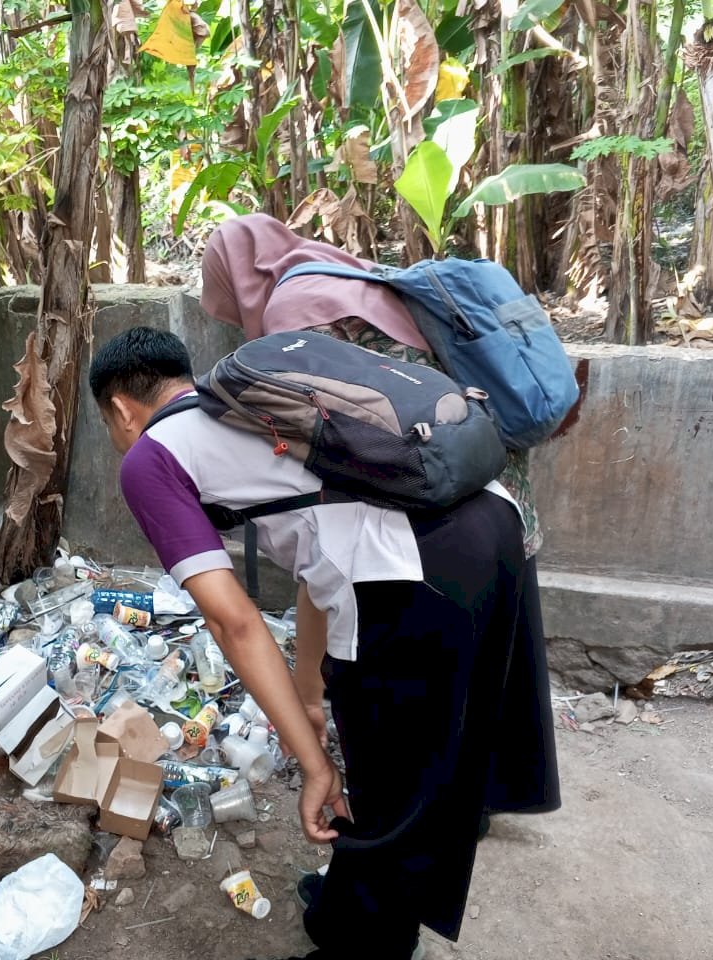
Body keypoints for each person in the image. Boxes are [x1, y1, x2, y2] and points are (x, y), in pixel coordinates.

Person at [89, 326, 536, 960]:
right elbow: (313, 554)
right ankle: (345, 906)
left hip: (413, 568)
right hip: (490, 520)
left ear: (120, 409)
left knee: (389, 776)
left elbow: (232, 621)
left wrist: (314, 766)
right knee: (418, 745)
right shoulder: (251, 408)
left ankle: (367, 946)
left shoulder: (149, 458)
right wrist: (309, 695)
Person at [201, 213, 560, 822]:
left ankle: (430, 820)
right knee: (496, 647)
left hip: (434, 494)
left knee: (422, 671)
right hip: (490, 475)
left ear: (239, 278)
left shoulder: (294, 310)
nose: (241, 323)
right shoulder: (339, 273)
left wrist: (308, 690)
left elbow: (331, 517)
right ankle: (486, 799)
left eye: (233, 308)